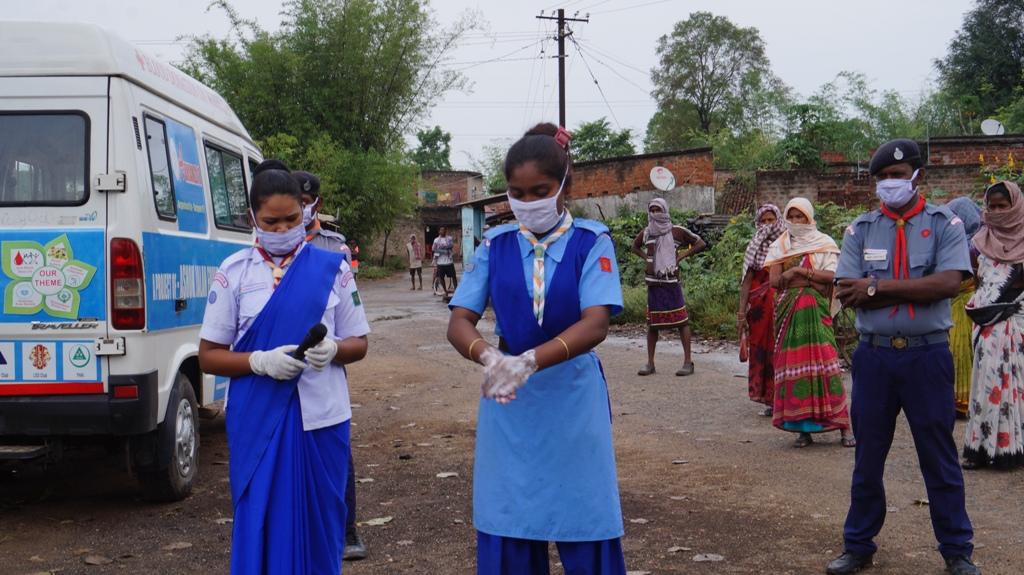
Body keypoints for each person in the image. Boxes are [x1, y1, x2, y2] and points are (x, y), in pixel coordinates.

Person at [446, 123, 627, 575]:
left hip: (572, 396)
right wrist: (490, 357)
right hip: (509, 399)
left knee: (584, 515)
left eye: (540, 191)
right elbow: (459, 322)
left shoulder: (592, 241)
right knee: (510, 517)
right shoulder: (495, 244)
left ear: (566, 184)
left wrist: (530, 361)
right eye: (517, 193)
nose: (528, 203)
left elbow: (596, 322)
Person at [198, 161, 370, 574]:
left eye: (291, 219)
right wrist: (259, 361)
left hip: (321, 418)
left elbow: (359, 342)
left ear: (306, 213)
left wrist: (333, 350)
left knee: (322, 522)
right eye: (271, 222)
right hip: (258, 416)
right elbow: (209, 356)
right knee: (260, 516)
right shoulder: (233, 274)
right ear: (252, 218)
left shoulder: (334, 269)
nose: (281, 230)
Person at [831, 139, 978, 575]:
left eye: (898, 176)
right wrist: (902, 288)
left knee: (939, 455)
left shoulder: (946, 224)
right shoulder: (860, 229)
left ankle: (957, 550)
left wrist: (876, 288)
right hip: (874, 359)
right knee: (867, 457)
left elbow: (949, 283)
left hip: (926, 357)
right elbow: (846, 290)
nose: (890, 184)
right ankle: (857, 545)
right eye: (883, 178)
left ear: (918, 177)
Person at [293, 169, 367, 560]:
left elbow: (350, 313)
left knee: (336, 449)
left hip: (326, 356)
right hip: (283, 363)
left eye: (305, 204)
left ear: (316, 205)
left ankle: (347, 530)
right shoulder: (261, 247)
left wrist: (337, 347)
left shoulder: (332, 246)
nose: (299, 211)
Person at [763, 198, 853, 449]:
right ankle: (803, 430)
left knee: (827, 367)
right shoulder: (780, 245)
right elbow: (774, 281)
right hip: (788, 314)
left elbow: (834, 277)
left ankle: (844, 427)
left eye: (799, 216)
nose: (794, 222)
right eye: (790, 217)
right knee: (795, 371)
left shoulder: (823, 243)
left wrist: (800, 273)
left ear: (809, 218)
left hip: (817, 313)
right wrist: (813, 282)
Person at [962, 181, 1024, 470]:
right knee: (986, 385)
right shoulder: (979, 243)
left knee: (1016, 387)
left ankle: (1013, 449)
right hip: (987, 328)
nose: (997, 212)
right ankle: (981, 448)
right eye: (993, 207)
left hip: (1019, 326)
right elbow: (977, 283)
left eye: (1004, 206)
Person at [631, 198, 706, 376]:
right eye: (652, 210)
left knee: (682, 322)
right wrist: (648, 260)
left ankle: (688, 363)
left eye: (658, 209)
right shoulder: (647, 233)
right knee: (652, 325)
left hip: (671, 283)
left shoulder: (677, 231)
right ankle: (650, 363)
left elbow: (700, 243)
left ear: (665, 210)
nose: (655, 213)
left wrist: (681, 256)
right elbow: (634, 247)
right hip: (654, 284)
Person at [738, 204, 785, 416]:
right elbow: (747, 281)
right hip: (758, 309)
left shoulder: (787, 243)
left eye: (771, 220)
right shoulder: (754, 246)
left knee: (780, 349)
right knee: (761, 351)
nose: (767, 225)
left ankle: (783, 399)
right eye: (763, 221)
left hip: (780, 304)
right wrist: (741, 312)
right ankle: (768, 399)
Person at [945, 196, 984, 417]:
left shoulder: (974, 244)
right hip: (962, 303)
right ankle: (962, 399)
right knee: (962, 351)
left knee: (960, 351)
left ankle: (962, 399)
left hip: (964, 304)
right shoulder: (972, 243)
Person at [294, 170, 352, 264]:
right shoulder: (276, 244)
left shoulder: (335, 249)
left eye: (304, 202)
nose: (299, 208)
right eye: (294, 201)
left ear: (318, 204)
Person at [433, 226, 458, 297]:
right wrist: (443, 250)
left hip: (449, 261)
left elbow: (451, 246)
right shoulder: (436, 240)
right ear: (439, 231)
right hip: (440, 263)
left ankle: (456, 291)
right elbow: (434, 249)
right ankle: (445, 291)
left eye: (443, 230)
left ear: (446, 231)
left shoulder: (449, 238)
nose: (442, 231)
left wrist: (441, 248)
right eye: (441, 230)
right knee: (441, 277)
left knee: (454, 276)